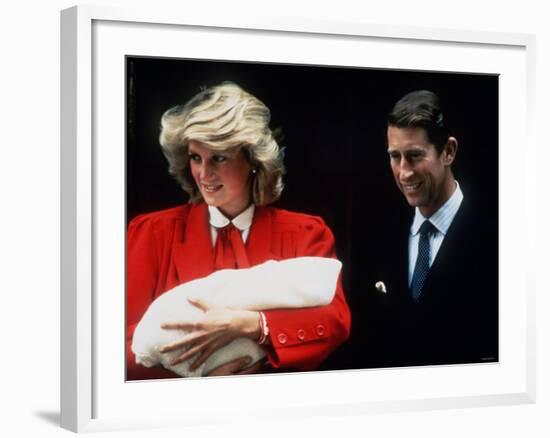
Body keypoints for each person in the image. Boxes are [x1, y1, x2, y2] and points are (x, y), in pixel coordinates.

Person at [126, 82, 351, 380]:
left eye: (219, 157)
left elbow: (335, 322)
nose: (204, 174)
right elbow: (118, 341)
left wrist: (255, 325)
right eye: (196, 157)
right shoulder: (150, 233)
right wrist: (199, 382)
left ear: (254, 160)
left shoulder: (306, 233)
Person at [350, 90, 498, 368]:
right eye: (395, 157)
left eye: (415, 156)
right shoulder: (377, 233)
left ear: (449, 151)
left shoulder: (499, 236)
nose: (404, 172)